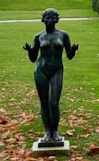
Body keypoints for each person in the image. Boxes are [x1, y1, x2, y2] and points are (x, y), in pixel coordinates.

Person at [23, 8, 79, 145]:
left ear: (57, 19)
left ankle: (55, 132)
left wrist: (73, 50)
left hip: (56, 70)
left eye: (52, 18)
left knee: (53, 102)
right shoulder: (39, 37)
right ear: (43, 20)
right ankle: (47, 132)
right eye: (47, 18)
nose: (50, 20)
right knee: (44, 103)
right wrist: (30, 51)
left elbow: (69, 56)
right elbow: (33, 58)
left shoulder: (63, 35)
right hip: (41, 70)